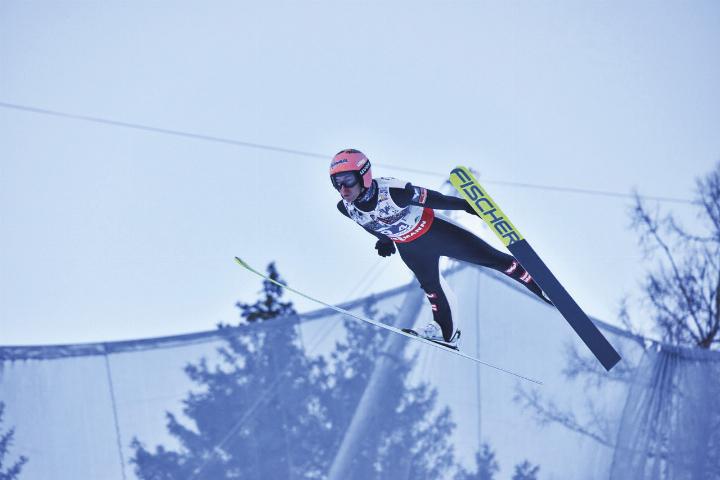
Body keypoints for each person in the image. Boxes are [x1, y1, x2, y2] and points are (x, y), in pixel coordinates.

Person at [330, 148, 551, 349]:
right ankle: (447, 334)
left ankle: (541, 286)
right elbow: (369, 223)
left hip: (435, 232)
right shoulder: (346, 208)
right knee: (433, 290)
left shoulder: (394, 191)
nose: (343, 188)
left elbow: (435, 199)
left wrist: (465, 205)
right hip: (410, 248)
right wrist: (384, 240)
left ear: (364, 175)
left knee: (492, 259)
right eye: (336, 182)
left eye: (347, 180)